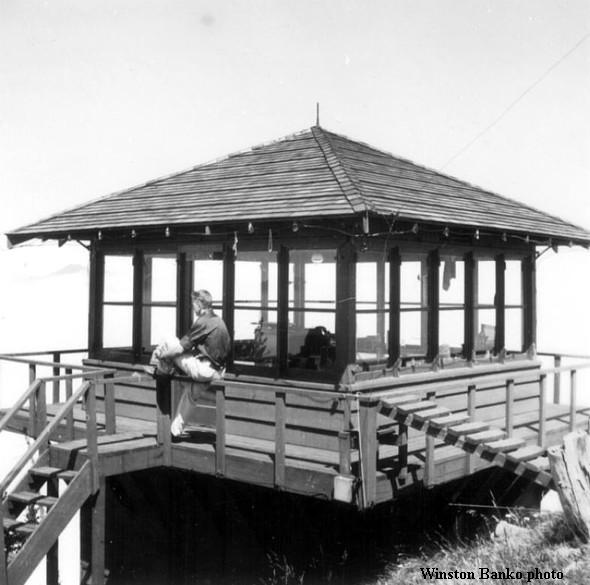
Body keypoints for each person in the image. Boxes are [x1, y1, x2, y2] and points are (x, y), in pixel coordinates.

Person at [149, 289, 231, 437]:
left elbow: (179, 348)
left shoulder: (203, 321)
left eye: (193, 304)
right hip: (218, 372)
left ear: (199, 304)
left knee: (168, 341)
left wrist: (161, 355)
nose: (192, 307)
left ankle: (160, 370)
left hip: (205, 370)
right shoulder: (218, 320)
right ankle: (174, 432)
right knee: (190, 395)